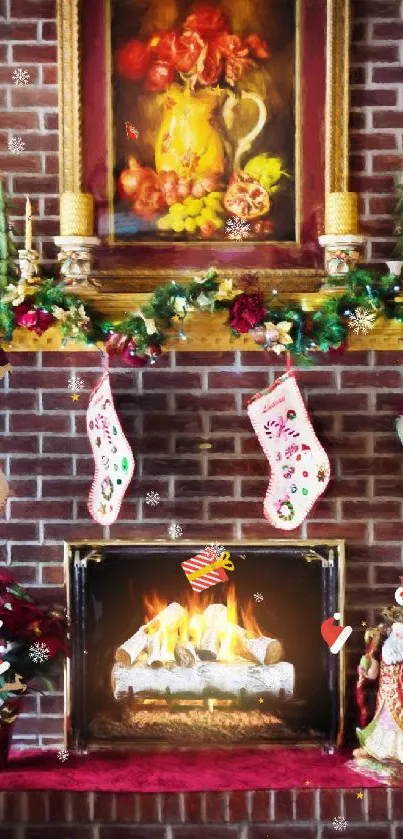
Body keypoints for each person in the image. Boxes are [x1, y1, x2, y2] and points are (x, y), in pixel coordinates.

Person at [354, 610, 403, 762]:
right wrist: (364, 670)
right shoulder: (383, 649)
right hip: (387, 697)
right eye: (397, 631)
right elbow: (373, 674)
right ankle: (381, 749)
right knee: (386, 722)